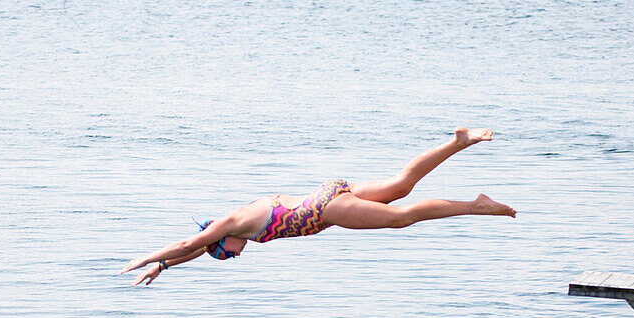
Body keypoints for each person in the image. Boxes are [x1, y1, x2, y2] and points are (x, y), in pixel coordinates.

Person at [120, 127, 516, 284]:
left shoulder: (229, 222)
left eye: (226, 257)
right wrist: (164, 268)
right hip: (327, 193)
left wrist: (145, 259)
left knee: (401, 217)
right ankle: (458, 142)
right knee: (399, 186)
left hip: (323, 211)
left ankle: (474, 206)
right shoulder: (234, 230)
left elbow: (190, 244)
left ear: (222, 243)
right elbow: (193, 250)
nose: (233, 257)